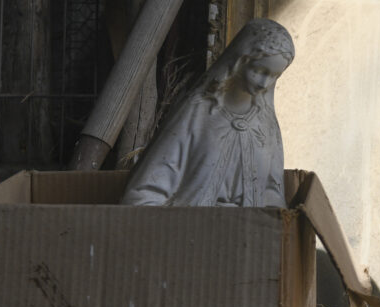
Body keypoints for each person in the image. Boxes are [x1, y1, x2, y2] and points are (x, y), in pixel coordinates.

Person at [121, 18, 295, 207]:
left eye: (273, 76)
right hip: (196, 228)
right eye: (258, 70)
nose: (264, 83)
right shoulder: (198, 112)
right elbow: (148, 189)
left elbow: (272, 192)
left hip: (248, 230)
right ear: (239, 62)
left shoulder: (266, 124)